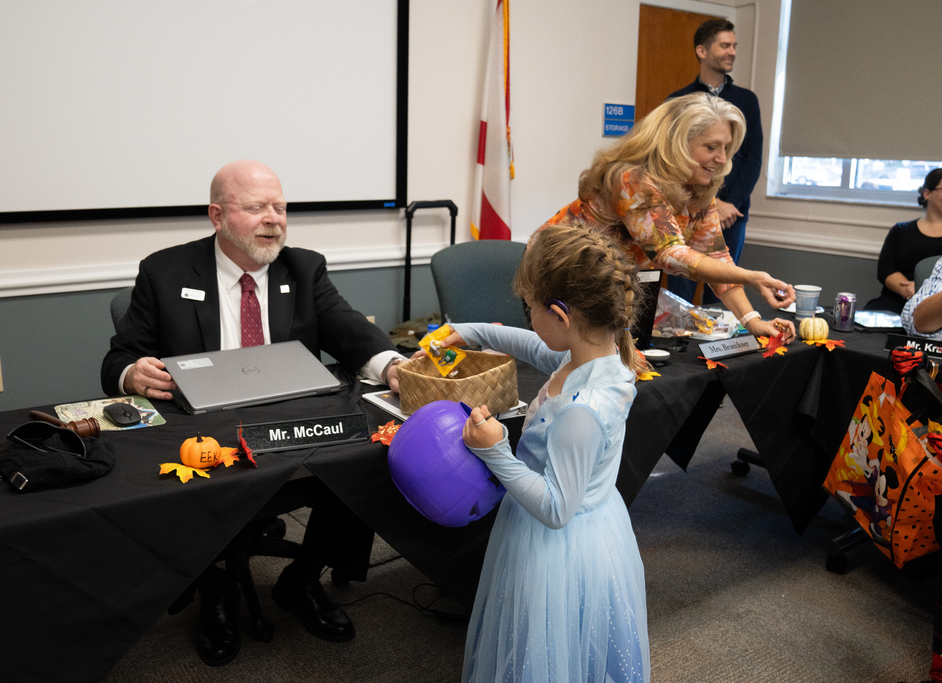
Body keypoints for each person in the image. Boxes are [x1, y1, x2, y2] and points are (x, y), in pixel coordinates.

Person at [100, 160, 406, 666]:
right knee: (171, 476)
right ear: (217, 216)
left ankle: (302, 578)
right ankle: (214, 591)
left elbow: (350, 330)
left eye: (280, 207)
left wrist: (392, 365)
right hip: (204, 430)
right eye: (257, 207)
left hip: (291, 425)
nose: (274, 219)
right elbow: (118, 357)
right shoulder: (166, 272)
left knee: (366, 453)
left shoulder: (304, 268)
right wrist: (131, 373)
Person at [431, 225, 650, 681]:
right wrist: (467, 331)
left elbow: (555, 508)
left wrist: (496, 451)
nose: (528, 319)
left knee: (548, 641)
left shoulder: (582, 410)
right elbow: (533, 345)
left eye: (529, 309)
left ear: (561, 316)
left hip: (557, 541)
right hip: (588, 524)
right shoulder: (593, 358)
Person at [534, 92, 796, 342]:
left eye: (726, 147)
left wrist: (752, 320)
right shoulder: (632, 179)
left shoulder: (699, 187)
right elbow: (668, 253)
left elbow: (716, 256)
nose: (722, 158)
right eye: (711, 147)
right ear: (678, 145)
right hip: (557, 281)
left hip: (603, 291)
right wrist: (749, 276)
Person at [665, 18, 763, 306]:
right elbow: (672, 158)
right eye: (725, 45)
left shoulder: (747, 100)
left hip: (733, 213)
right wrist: (711, 202)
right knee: (680, 283)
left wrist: (729, 203)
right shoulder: (679, 100)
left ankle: (715, 347)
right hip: (685, 207)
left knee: (721, 287)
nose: (732, 51)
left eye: (734, 45)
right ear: (702, 51)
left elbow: (752, 158)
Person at [867, 168, 942, 313]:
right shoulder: (901, 230)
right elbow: (885, 269)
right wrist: (909, 290)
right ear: (927, 194)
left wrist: (921, 291)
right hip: (896, 300)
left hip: (936, 308)